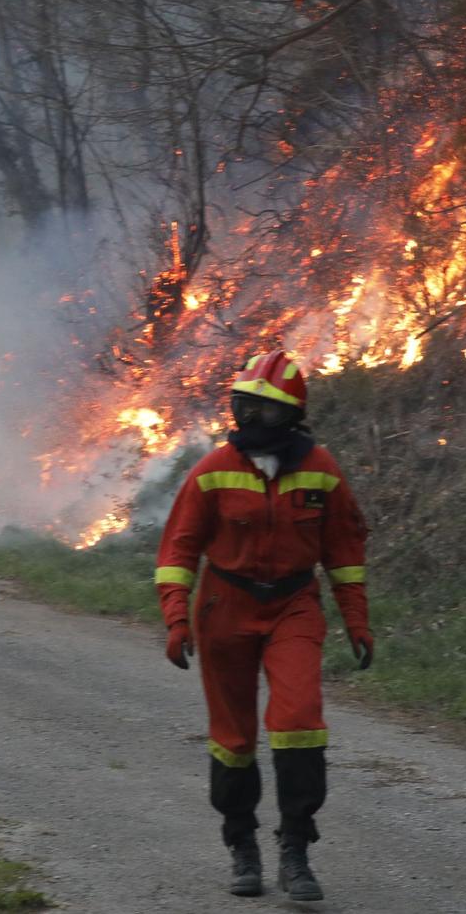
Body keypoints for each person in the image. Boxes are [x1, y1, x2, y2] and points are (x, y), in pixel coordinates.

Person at [155, 348, 372, 902]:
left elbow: (344, 552)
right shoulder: (212, 472)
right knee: (233, 739)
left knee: (299, 718)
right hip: (224, 608)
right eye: (242, 407)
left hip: (293, 605)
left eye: (263, 410)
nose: (249, 420)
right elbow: (178, 550)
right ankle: (241, 844)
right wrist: (177, 619)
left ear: (291, 415)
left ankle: (295, 849)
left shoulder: (321, 470)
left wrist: (357, 620)